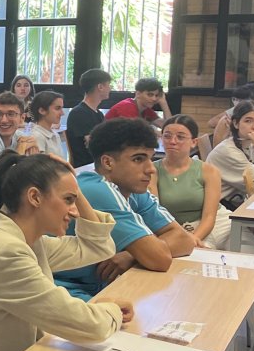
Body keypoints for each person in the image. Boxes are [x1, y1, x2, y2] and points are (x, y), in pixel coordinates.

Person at [0, 153, 129, 351]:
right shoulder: (5, 251)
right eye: (68, 200)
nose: (74, 212)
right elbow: (91, 326)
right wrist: (112, 310)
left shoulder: (27, 240)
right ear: (35, 197)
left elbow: (97, 248)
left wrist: (73, 187)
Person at [54, 118, 195, 300]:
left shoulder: (132, 188)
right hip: (60, 288)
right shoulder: (98, 189)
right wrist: (142, 253)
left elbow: (184, 240)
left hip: (94, 286)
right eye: (138, 159)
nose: (151, 169)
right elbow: (160, 259)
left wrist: (131, 255)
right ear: (108, 162)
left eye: (151, 159)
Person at [152, 115, 231, 248]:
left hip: (215, 225)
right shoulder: (152, 170)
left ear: (194, 142)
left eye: (180, 137)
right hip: (173, 228)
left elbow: (209, 217)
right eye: (167, 136)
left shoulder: (209, 171)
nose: (173, 141)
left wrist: (193, 239)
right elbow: (154, 214)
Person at [205, 100, 254, 208]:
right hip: (220, 208)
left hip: (239, 202)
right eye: (248, 121)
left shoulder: (248, 144)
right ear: (235, 123)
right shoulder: (228, 151)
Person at [67, 68, 112, 168]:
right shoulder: (78, 113)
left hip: (99, 163)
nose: (110, 88)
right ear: (100, 87)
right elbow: (93, 145)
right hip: (87, 166)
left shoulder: (99, 114)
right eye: (108, 85)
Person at [105, 78, 171, 128]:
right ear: (138, 94)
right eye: (150, 95)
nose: (154, 99)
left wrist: (163, 103)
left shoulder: (145, 109)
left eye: (156, 95)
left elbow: (168, 126)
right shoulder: (127, 106)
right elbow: (136, 132)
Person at [210, 83, 254, 149]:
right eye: (234, 99)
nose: (236, 103)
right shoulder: (228, 118)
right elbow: (217, 147)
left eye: (241, 100)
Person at [29, 91, 67, 159]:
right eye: (57, 108)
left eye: (62, 108)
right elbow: (39, 168)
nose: (62, 113)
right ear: (42, 111)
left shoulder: (55, 134)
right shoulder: (37, 137)